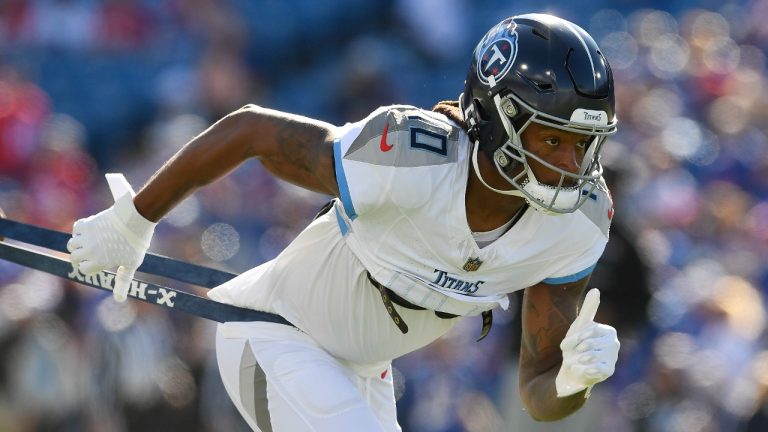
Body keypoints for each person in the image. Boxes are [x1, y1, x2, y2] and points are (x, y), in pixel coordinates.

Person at [67, 13, 621, 431]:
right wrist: (134, 220)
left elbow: (537, 392)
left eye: (585, 145)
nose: (571, 167)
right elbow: (252, 131)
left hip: (363, 370)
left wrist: (574, 380)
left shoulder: (578, 226)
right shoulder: (411, 159)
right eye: (554, 139)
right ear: (496, 119)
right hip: (273, 333)